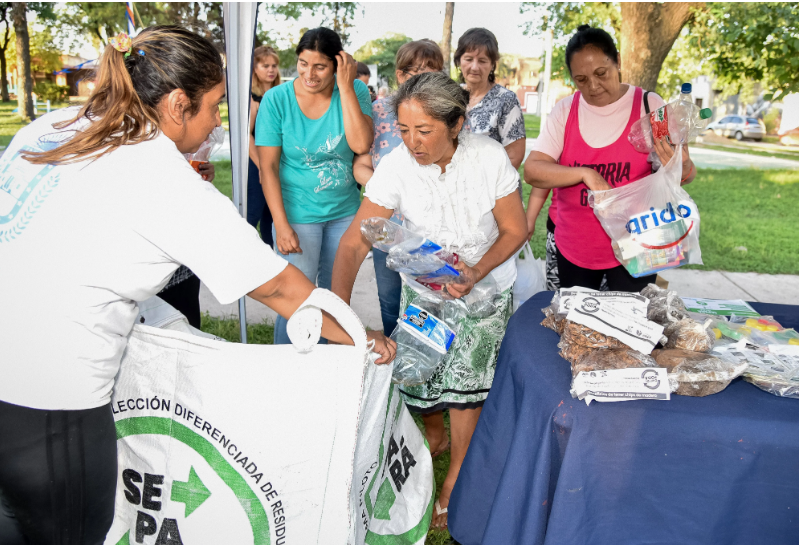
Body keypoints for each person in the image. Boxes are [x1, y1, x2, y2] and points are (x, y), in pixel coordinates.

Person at [0, 26, 394, 545]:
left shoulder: (54, 125)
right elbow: (281, 290)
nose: (217, 124)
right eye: (213, 107)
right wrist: (364, 338)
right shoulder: (163, 180)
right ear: (177, 104)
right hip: (50, 405)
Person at [332, 72, 527, 529]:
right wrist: (338, 313)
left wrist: (476, 271)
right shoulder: (397, 165)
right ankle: (433, 436)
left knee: (466, 388)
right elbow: (354, 243)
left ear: (457, 123)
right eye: (403, 130)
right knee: (418, 376)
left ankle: (456, 473)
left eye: (424, 131)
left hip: (485, 291)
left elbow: (515, 230)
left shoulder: (488, 157)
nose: (412, 142)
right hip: (424, 290)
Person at [524, 24, 696, 292]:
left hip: (639, 244)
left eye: (601, 73)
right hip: (576, 248)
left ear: (617, 61)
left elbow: (685, 175)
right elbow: (533, 170)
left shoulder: (650, 107)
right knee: (579, 329)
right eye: (581, 79)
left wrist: (680, 165)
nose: (593, 86)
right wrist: (585, 173)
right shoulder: (565, 111)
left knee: (630, 325)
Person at [255, 27, 374, 345]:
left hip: (344, 211)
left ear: (337, 65)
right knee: (297, 299)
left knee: (336, 300)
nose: (309, 74)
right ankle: (287, 367)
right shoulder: (276, 100)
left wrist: (346, 89)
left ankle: (326, 369)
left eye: (320, 66)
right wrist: (280, 224)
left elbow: (362, 143)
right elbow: (267, 167)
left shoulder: (356, 91)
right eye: (303, 63)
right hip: (296, 213)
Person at [352, 38, 444, 336]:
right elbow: (360, 166)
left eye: (429, 70)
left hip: (433, 227)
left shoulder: (448, 114)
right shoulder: (378, 112)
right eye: (411, 71)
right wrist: (393, 192)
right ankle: (397, 354)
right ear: (399, 75)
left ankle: (426, 358)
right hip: (386, 228)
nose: (419, 78)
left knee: (432, 301)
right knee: (391, 301)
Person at [454, 28, 526, 170]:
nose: (474, 67)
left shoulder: (506, 100)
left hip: (493, 188)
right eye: (468, 59)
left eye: (482, 61)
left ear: (492, 65)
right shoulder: (450, 96)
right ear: (459, 60)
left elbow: (514, 156)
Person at [247, 45, 282, 246]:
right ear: (254, 68)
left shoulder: (278, 95)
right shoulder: (253, 99)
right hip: (257, 164)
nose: (271, 70)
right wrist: (262, 166)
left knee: (273, 214)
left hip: (277, 163)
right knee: (254, 213)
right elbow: (247, 137)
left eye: (274, 66)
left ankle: (273, 258)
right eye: (265, 65)